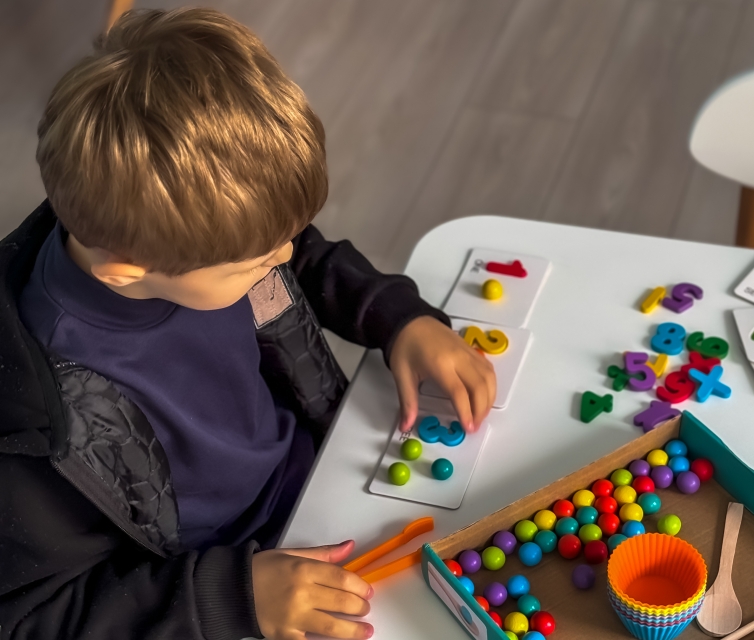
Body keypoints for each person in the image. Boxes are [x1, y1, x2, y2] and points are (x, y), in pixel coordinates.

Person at [0, 8, 495, 640]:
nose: (284, 257)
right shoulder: (35, 430)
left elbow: (300, 254)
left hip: (318, 477)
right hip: (214, 589)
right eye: (256, 263)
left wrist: (399, 320)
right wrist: (230, 597)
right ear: (127, 271)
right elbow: (39, 616)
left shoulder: (185, 235)